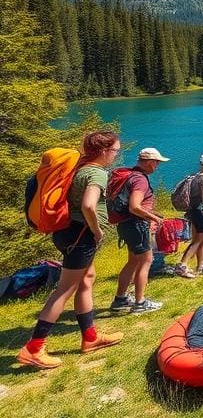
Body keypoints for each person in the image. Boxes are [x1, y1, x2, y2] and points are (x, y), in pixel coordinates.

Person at [17, 131, 124, 368]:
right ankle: (33, 348)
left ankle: (90, 338)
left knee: (87, 280)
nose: (115, 155)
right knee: (64, 290)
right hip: (81, 235)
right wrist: (96, 230)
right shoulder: (96, 172)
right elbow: (88, 204)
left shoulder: (79, 167)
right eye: (115, 151)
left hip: (67, 233)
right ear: (104, 151)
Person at [110, 147, 168, 314]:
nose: (157, 166)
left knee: (133, 261)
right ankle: (140, 303)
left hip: (126, 224)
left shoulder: (129, 175)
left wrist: (152, 213)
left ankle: (120, 299)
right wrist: (154, 218)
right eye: (156, 163)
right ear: (149, 162)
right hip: (137, 225)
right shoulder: (140, 180)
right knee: (145, 261)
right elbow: (134, 206)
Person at [175, 153, 203, 278]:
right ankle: (182, 265)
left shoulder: (194, 176)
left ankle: (201, 264)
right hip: (198, 210)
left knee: (199, 238)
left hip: (191, 210)